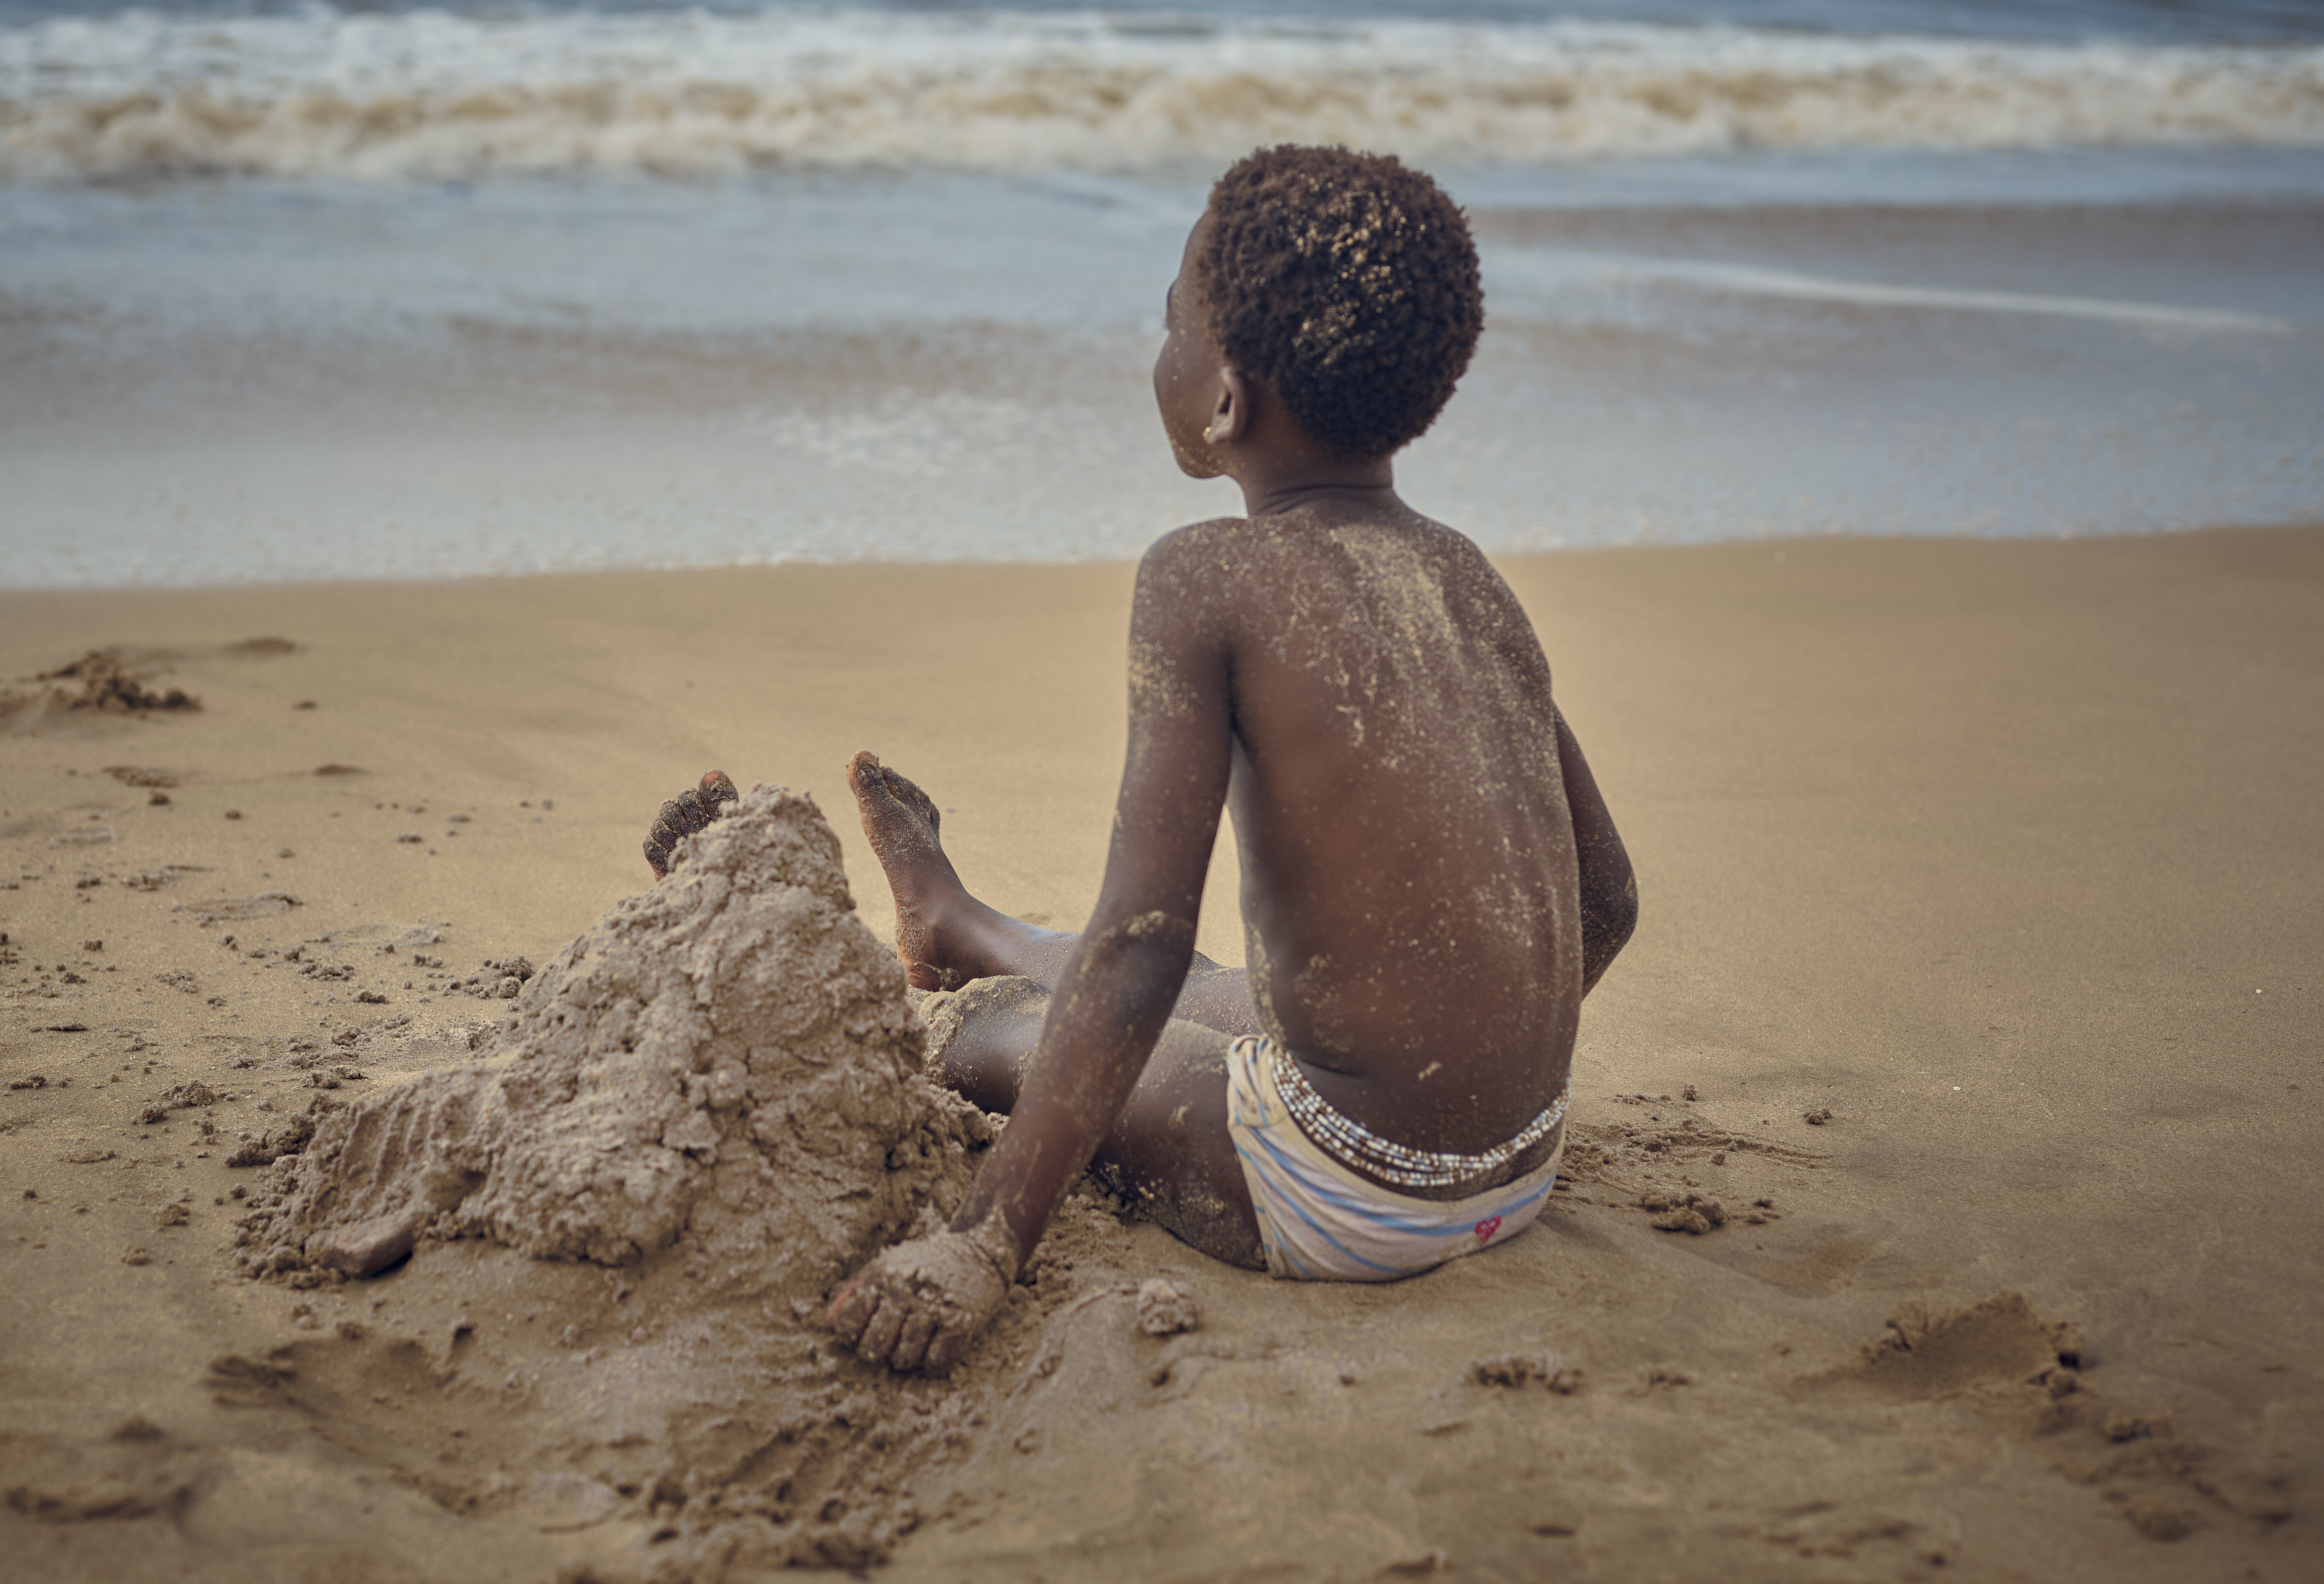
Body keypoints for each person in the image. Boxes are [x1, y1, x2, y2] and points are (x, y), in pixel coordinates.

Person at [641, 145, 1636, 1378]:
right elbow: (1608, 899)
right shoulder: (1470, 582)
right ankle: (960, 925)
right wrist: (1459, 1078)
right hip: (1520, 1173)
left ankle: (805, 959)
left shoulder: (1204, 579)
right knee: (1228, 994)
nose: (1159, 347)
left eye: (1172, 323)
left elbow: (1140, 945)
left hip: (1341, 1194)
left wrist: (983, 1244)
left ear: (1224, 403)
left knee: (1007, 1035)